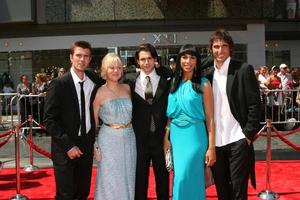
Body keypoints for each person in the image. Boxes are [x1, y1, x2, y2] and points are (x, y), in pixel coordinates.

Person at [206, 29, 261, 200]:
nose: (220, 50)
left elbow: (255, 104)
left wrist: (248, 135)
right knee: (222, 189)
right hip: (216, 141)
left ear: (230, 48)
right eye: (216, 46)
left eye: (224, 46)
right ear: (211, 49)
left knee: (238, 190)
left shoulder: (243, 69)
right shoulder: (206, 72)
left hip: (238, 138)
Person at [44, 41, 103, 200]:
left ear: (90, 59)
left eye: (86, 56)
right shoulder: (59, 84)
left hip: (86, 143)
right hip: (65, 147)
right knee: (66, 194)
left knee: (82, 192)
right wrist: (68, 145)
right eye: (78, 55)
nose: (81, 59)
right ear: (71, 57)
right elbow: (49, 120)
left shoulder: (94, 80)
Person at [163, 44, 216, 200]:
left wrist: (211, 147)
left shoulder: (204, 84)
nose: (188, 61)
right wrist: (165, 137)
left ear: (197, 61)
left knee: (186, 177)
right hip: (176, 137)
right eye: (185, 57)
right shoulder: (173, 83)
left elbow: (210, 118)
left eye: (192, 57)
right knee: (179, 177)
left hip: (195, 137)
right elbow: (170, 116)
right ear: (179, 60)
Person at [124, 43, 171, 200]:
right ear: (137, 61)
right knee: (139, 182)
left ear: (155, 59)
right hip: (139, 140)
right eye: (142, 59)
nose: (146, 62)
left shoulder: (166, 79)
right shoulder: (129, 81)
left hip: (160, 139)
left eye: (149, 58)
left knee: (163, 182)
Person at [93, 53, 136, 200]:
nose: (116, 70)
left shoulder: (127, 88)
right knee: (110, 178)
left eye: (118, 67)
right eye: (111, 67)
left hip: (129, 137)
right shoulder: (99, 93)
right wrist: (95, 145)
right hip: (109, 140)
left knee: (128, 175)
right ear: (105, 70)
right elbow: (94, 123)